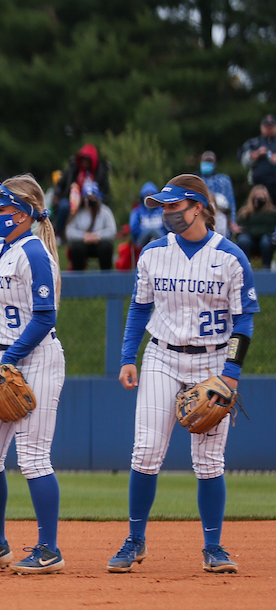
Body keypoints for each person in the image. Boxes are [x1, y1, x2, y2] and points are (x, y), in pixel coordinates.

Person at [111, 175, 260, 574]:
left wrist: (231, 371)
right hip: (162, 356)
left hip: (212, 364)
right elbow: (140, 308)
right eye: (162, 206)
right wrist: (128, 355)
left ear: (198, 207)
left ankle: (213, 548)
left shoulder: (230, 257)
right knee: (145, 451)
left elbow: (244, 321)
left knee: (209, 461)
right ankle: (135, 540)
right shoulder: (153, 253)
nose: (166, 212)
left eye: (174, 206)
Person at [0, 176, 66, 573]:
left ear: (22, 214)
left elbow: (44, 318)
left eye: (1, 208)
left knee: (34, 458)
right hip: (1, 355)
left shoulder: (35, 253)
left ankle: (49, 548)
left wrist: (12, 359)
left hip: (36, 357)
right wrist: (3, 360)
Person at [53, 143, 111, 236]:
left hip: (92, 199)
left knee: (99, 208)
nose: (85, 163)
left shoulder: (100, 172)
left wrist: (98, 196)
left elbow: (105, 190)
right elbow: (60, 185)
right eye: (83, 160)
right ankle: (60, 233)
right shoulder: (74, 169)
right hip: (73, 198)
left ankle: (93, 231)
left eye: (87, 160)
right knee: (64, 206)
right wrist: (57, 194)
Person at [65, 180, 116, 270]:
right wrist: (83, 236)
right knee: (76, 248)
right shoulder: (77, 213)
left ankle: (106, 276)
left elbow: (112, 230)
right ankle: (78, 276)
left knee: (106, 247)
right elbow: (69, 231)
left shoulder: (105, 211)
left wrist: (98, 236)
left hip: (100, 244)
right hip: (83, 244)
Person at [235, 184, 276, 270]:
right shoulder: (245, 213)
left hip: (265, 240)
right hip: (249, 240)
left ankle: (266, 268)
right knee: (243, 240)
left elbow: (270, 229)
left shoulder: (272, 213)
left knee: (266, 242)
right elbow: (239, 229)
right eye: (257, 197)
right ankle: (245, 267)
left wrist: (252, 230)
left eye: (261, 198)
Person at [200, 151, 237, 234]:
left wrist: (232, 221)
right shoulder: (196, 180)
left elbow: (231, 203)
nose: (207, 164)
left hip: (220, 214)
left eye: (210, 162)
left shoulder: (223, 180)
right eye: (205, 161)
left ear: (214, 163)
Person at [238, 114, 276, 191]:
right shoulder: (253, 143)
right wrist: (254, 155)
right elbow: (241, 158)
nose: (269, 129)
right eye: (266, 127)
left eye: (271, 127)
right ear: (261, 127)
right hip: (259, 185)